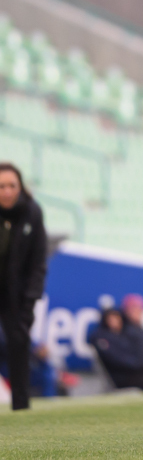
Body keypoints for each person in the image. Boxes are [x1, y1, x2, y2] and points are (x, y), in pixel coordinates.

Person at [0, 162, 48, 410]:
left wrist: (30, 300)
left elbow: (38, 262)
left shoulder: (32, 212)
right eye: (1, 186)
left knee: (19, 344)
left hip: (16, 295)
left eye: (12, 185)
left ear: (20, 187)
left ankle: (21, 406)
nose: (7, 191)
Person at [89, 308, 143, 391]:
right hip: (121, 376)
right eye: (111, 319)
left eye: (116, 318)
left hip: (135, 371)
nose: (114, 322)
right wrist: (139, 364)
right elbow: (116, 359)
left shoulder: (126, 334)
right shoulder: (102, 338)